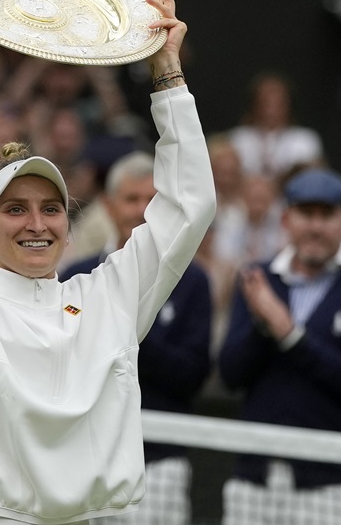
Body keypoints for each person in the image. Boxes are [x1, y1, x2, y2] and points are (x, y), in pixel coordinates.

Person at [0, 0, 215, 523]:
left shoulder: (111, 295)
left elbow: (190, 204)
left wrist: (167, 74)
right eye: (15, 209)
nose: (36, 223)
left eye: (51, 208)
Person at [217, 168, 341, 525]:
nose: (315, 227)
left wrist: (290, 334)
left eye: (327, 215)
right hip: (255, 483)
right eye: (306, 214)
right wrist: (262, 324)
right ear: (286, 219)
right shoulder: (258, 278)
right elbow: (230, 374)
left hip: (338, 488)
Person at [61, 151, 212, 525]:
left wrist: (121, 326)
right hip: (83, 456)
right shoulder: (78, 275)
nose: (143, 211)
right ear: (110, 206)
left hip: (159, 461)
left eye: (153, 201)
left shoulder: (192, 281)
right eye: (132, 199)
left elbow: (190, 375)